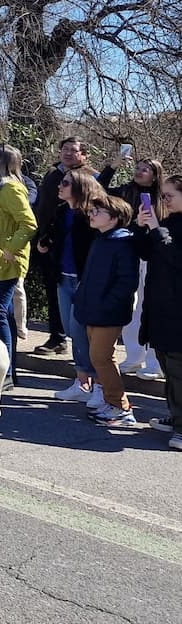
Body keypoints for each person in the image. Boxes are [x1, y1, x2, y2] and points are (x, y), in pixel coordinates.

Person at [73, 194, 139, 426]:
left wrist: (106, 305)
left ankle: (121, 407)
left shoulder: (123, 243)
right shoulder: (101, 239)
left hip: (108, 313)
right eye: (91, 211)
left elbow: (126, 282)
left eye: (97, 211)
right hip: (93, 309)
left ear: (114, 217)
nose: (91, 214)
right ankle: (110, 402)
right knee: (99, 357)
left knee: (101, 358)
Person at [99, 154, 166, 380]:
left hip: (155, 258)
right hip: (130, 254)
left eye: (145, 169)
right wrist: (113, 166)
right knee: (131, 306)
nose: (139, 172)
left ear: (155, 174)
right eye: (137, 167)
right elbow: (99, 191)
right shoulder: (125, 192)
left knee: (152, 307)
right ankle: (134, 357)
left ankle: (155, 362)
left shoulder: (165, 197)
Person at [38, 166, 100, 405]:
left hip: (84, 280)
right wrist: (45, 244)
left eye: (65, 183)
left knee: (82, 331)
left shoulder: (92, 215)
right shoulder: (62, 210)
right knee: (72, 330)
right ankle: (81, 382)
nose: (59, 187)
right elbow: (53, 235)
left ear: (79, 187)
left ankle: (94, 383)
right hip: (63, 278)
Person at [0, 144, 37, 389]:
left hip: (6, 260)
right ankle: (8, 372)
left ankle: (2, 373)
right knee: (4, 316)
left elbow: (29, 224)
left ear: (0, 161)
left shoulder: (11, 188)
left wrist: (11, 249)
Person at [32, 137, 94, 355]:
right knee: (53, 291)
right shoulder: (53, 174)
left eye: (73, 150)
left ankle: (84, 354)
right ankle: (57, 337)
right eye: (64, 149)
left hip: (75, 251)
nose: (67, 153)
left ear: (83, 155)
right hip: (49, 241)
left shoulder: (88, 177)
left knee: (77, 303)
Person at [136, 176, 182, 452]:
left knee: (178, 370)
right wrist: (144, 228)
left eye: (169, 195)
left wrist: (156, 228)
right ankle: (175, 415)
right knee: (167, 364)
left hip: (177, 311)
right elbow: (146, 252)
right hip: (161, 308)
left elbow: (175, 257)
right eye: (162, 195)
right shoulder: (167, 223)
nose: (164, 200)